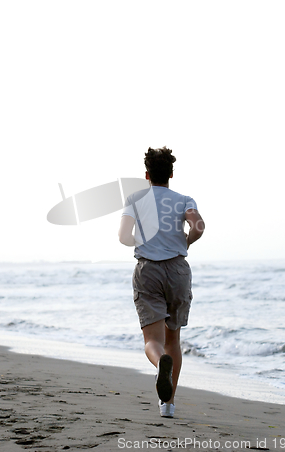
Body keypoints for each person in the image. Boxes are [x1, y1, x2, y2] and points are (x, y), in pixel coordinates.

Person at [118, 147, 205, 418]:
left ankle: (159, 365)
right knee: (173, 339)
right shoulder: (184, 199)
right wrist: (186, 240)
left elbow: (123, 236)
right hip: (178, 270)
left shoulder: (135, 199)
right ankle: (167, 405)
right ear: (170, 174)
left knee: (152, 340)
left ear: (147, 175)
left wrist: (144, 241)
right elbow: (199, 226)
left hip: (149, 271)